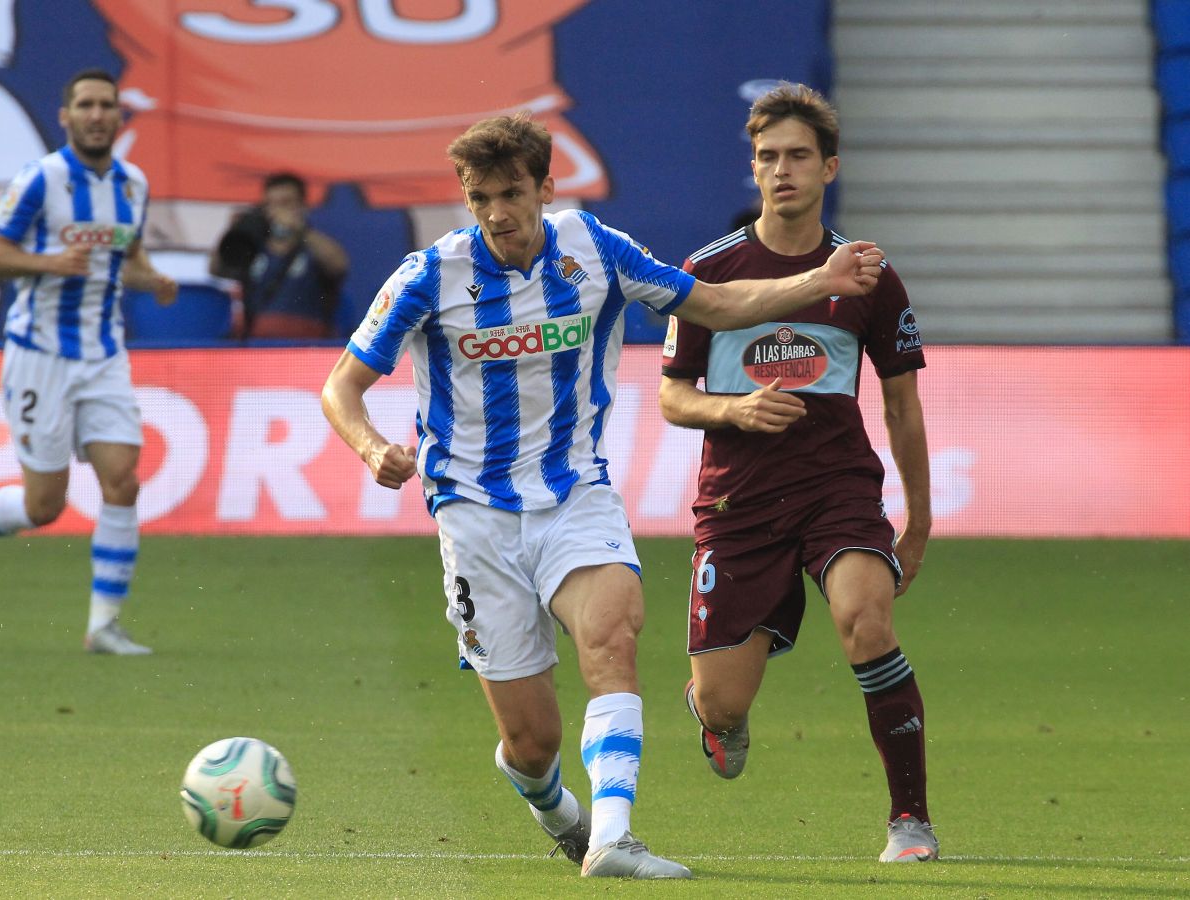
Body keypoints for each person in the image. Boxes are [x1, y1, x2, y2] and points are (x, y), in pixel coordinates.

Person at [320, 112, 885, 879]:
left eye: (511, 194)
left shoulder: (594, 249)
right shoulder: (428, 275)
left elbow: (714, 304)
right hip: (473, 516)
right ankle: (560, 812)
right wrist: (369, 447)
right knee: (532, 744)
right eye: (480, 197)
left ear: (545, 187)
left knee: (612, 637)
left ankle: (613, 838)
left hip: (574, 495)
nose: (496, 213)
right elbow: (341, 386)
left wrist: (818, 281)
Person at [659, 83, 937, 863]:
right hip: (738, 504)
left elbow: (902, 406)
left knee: (866, 622)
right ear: (752, 169)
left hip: (834, 491)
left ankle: (909, 821)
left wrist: (918, 521)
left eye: (798, 156)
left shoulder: (868, 274)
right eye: (767, 156)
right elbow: (672, 397)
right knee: (722, 700)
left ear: (828, 168)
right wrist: (734, 410)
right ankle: (716, 713)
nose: (781, 170)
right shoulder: (707, 271)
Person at [0, 68, 177, 656]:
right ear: (66, 117)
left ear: (119, 115)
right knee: (44, 507)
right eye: (85, 105)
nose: (97, 115)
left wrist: (153, 279)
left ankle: (103, 625)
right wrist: (47, 264)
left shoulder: (133, 184)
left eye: (107, 105)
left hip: (104, 353)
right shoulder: (40, 179)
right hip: (40, 355)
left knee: (123, 480)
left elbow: (126, 257)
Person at [210, 172, 349, 339]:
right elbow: (216, 269)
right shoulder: (254, 248)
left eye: (286, 203)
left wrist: (299, 229)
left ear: (303, 206)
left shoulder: (313, 245)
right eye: (271, 204)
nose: (277, 211)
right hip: (255, 344)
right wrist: (233, 234)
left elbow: (339, 264)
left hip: (306, 344)